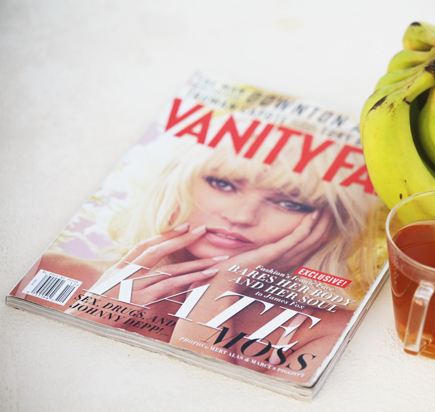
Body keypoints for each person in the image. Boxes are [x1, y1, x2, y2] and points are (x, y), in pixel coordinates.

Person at [16, 126, 386, 381]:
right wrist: (94, 312)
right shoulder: (53, 272)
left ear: (330, 224)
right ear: (175, 181)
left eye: (289, 203)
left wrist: (220, 292)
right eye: (223, 184)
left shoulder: (326, 333)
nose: (242, 216)